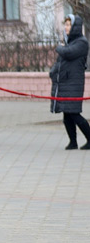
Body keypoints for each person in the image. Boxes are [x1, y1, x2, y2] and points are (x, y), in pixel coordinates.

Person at [50, 16, 90, 149]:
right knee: (66, 114)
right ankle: (73, 142)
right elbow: (60, 61)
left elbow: (68, 53)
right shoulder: (70, 42)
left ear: (75, 27)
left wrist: (59, 47)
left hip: (74, 83)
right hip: (65, 83)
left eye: (69, 25)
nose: (66, 27)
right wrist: (53, 72)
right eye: (65, 25)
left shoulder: (81, 43)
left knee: (74, 113)